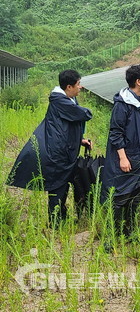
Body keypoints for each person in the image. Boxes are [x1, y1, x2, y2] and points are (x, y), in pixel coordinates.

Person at [7, 70, 92, 227]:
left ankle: (62, 217)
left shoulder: (67, 98)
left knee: (63, 183)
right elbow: (84, 114)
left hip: (63, 148)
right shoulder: (61, 101)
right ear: (68, 86)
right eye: (78, 84)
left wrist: (80, 140)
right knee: (58, 185)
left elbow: (65, 126)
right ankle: (56, 223)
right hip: (58, 151)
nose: (81, 87)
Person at [101, 64, 140, 239]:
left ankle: (129, 232)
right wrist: (123, 159)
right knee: (121, 196)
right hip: (128, 158)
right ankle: (114, 236)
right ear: (139, 81)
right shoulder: (122, 105)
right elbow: (115, 133)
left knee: (137, 193)